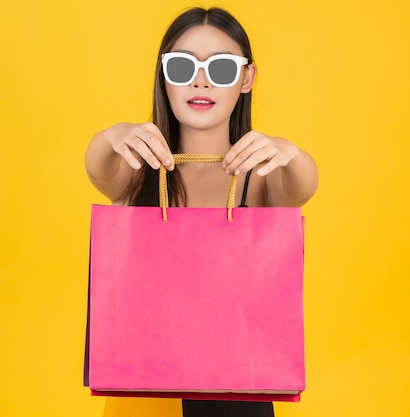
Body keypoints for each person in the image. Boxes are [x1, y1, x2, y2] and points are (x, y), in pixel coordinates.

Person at [84, 6, 318, 417]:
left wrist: (289, 151)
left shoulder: (259, 174)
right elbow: (97, 164)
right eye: (181, 65)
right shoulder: (138, 169)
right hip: (141, 397)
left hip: (239, 394)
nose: (201, 79)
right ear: (163, 74)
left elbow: (303, 185)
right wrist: (114, 134)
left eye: (222, 68)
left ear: (247, 78)